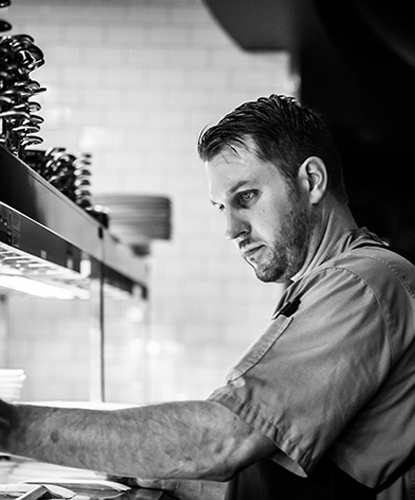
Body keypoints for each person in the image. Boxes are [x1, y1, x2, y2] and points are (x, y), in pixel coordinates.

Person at [1, 94, 415, 500]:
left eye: (246, 197)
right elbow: (293, 476)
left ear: (311, 181)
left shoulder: (361, 283)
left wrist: (11, 426)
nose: (231, 229)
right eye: (221, 206)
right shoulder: (336, 280)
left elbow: (224, 440)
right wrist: (168, 475)